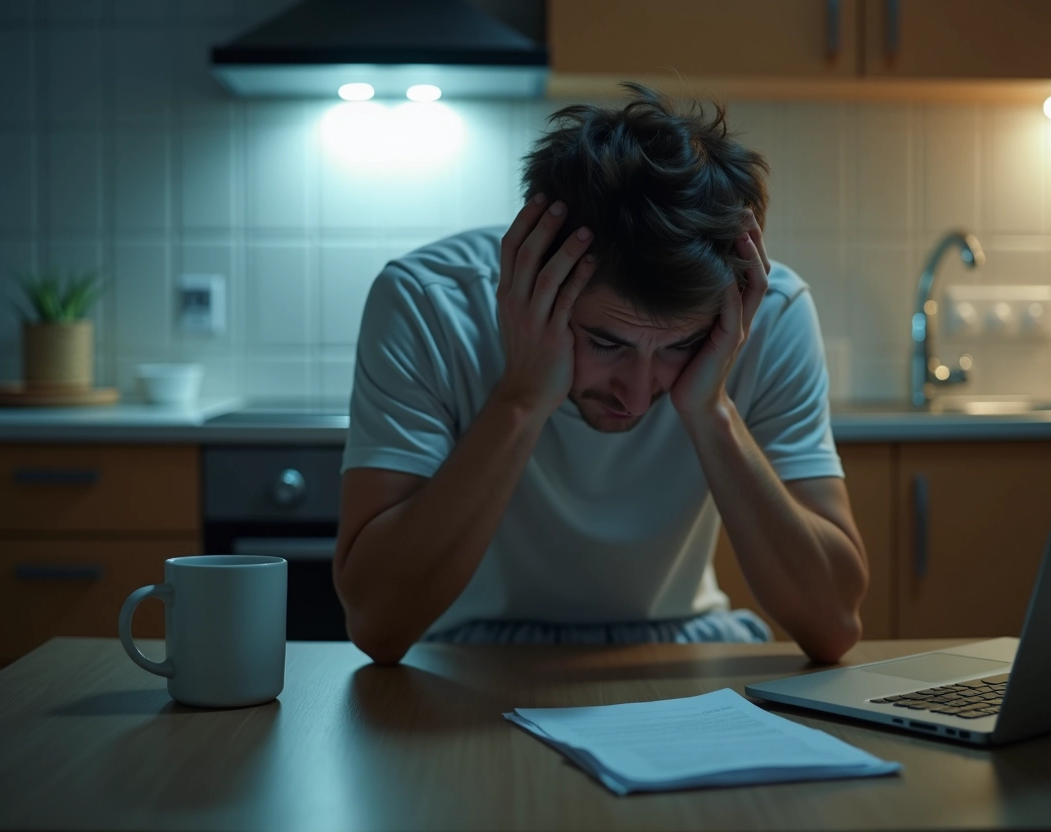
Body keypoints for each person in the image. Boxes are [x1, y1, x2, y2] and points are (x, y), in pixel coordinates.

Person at [333, 83, 868, 665]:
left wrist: (711, 409)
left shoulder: (762, 314)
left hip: (683, 647)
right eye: (606, 342)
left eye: (681, 345)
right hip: (466, 656)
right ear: (535, 281)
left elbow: (833, 624)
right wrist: (522, 397)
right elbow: (377, 623)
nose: (636, 396)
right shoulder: (427, 303)